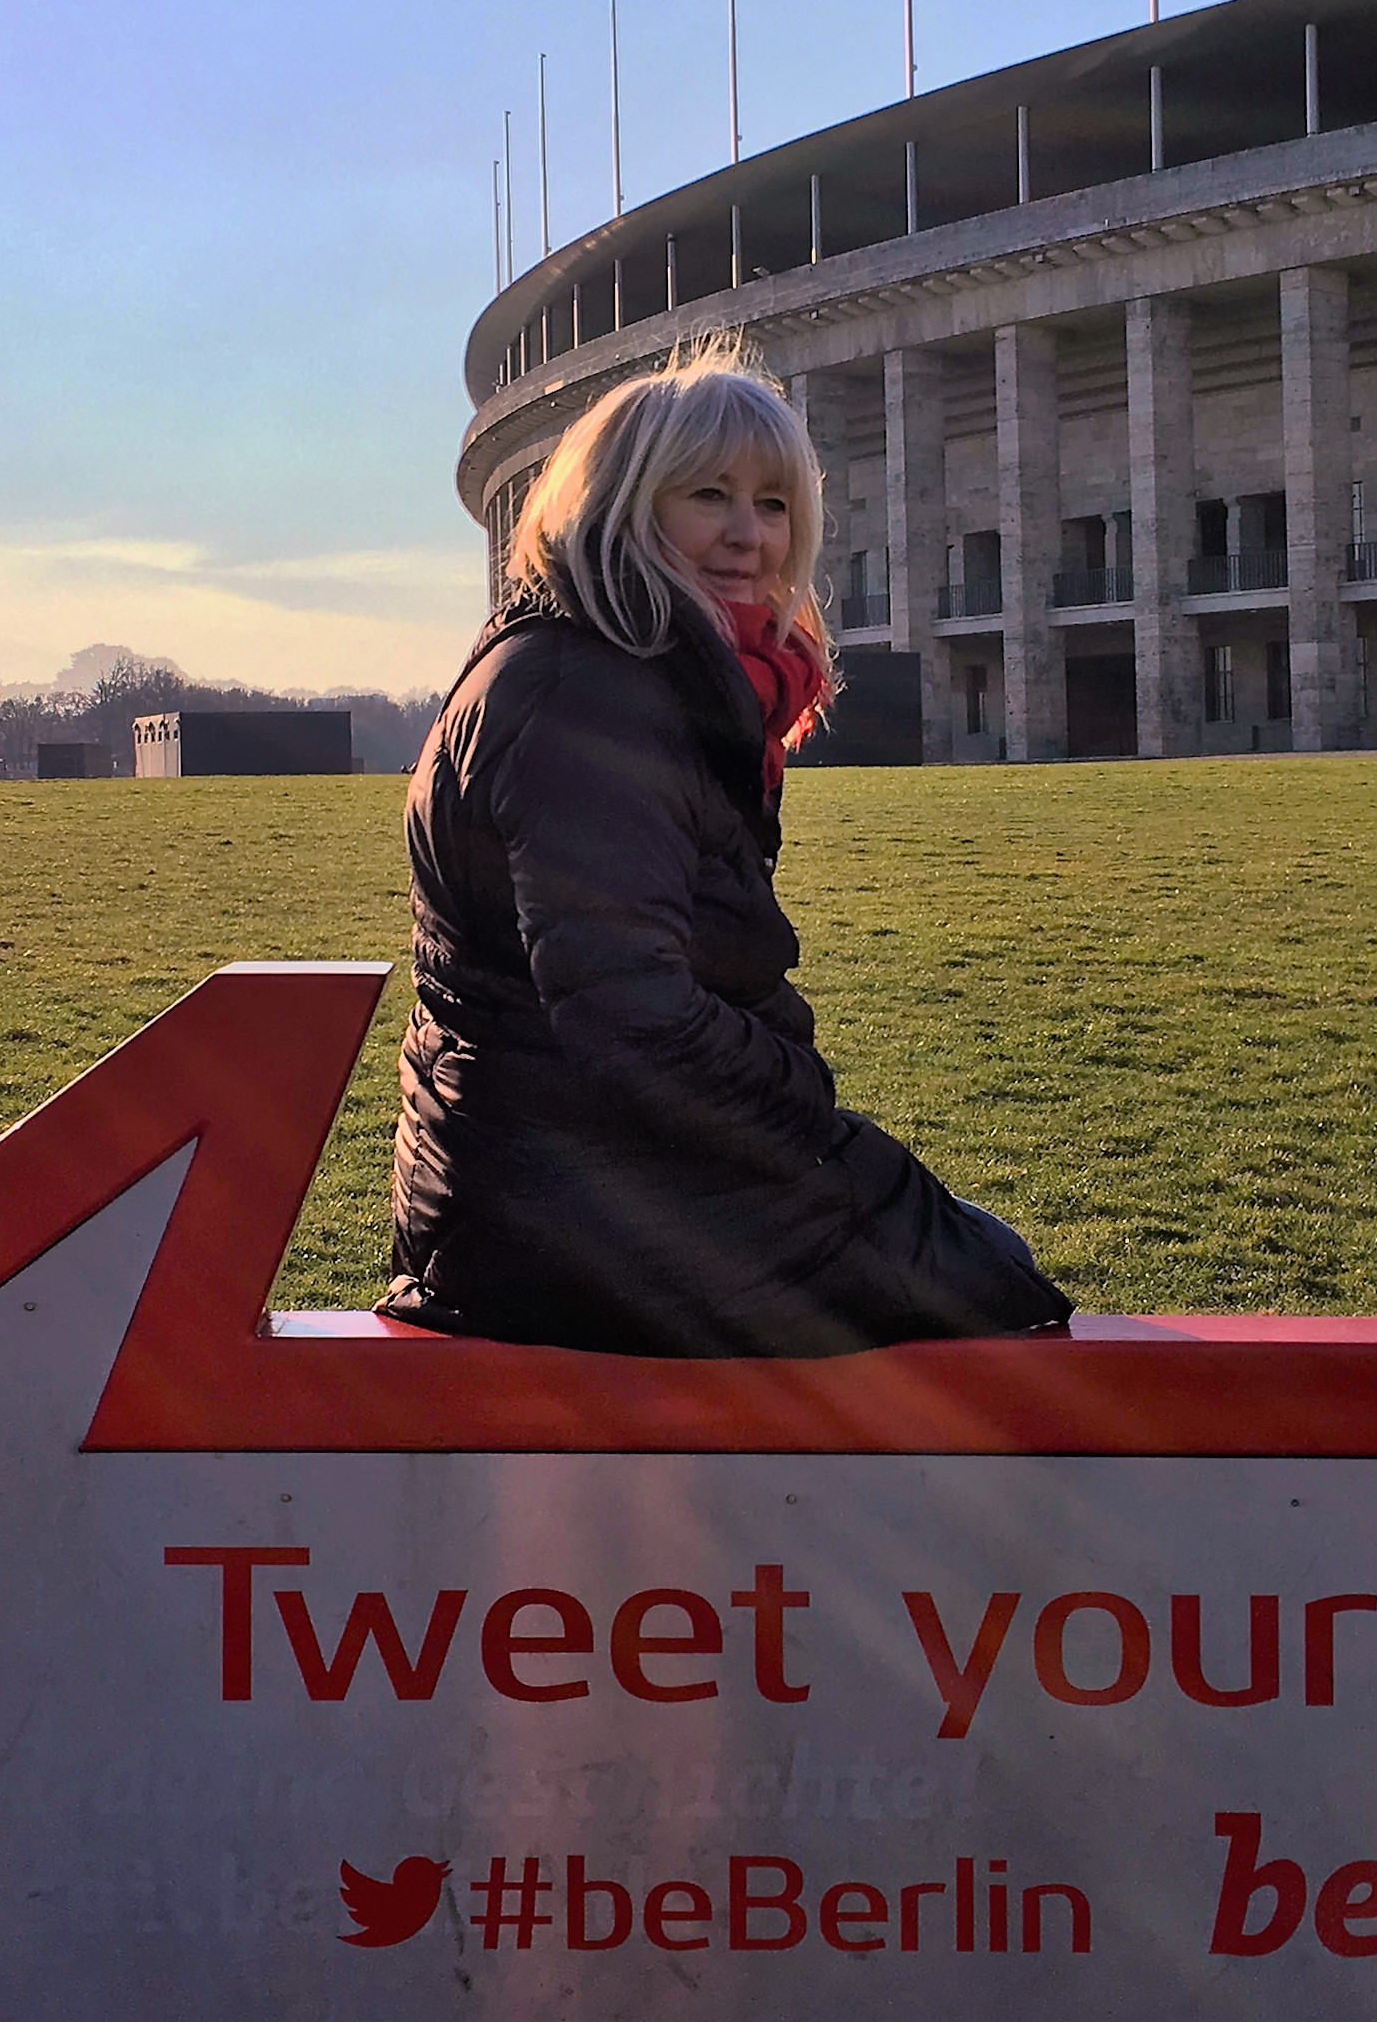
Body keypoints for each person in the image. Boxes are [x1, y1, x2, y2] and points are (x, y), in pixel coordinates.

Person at [380, 343, 1073, 1356]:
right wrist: (811, 1116)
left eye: (774, 503)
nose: (748, 534)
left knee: (977, 1261)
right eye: (708, 494)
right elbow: (626, 1009)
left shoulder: (630, 671)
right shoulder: (587, 691)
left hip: (568, 1172)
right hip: (572, 1204)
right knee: (998, 1294)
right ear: (619, 504)